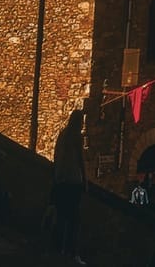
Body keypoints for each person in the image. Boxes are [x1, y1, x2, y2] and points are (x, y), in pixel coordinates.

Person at [50, 110, 87, 263]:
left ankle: (58, 249)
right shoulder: (76, 137)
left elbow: (56, 156)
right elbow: (80, 159)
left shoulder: (63, 135)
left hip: (61, 180)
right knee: (74, 219)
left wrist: (57, 175)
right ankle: (72, 252)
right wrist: (85, 179)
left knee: (61, 217)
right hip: (73, 181)